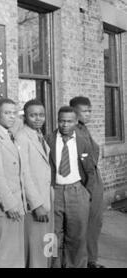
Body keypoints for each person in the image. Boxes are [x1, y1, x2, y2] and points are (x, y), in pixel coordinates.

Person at [45, 106, 96, 268]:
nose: (64, 125)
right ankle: (52, 264)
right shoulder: (48, 140)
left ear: (75, 122)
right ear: (57, 120)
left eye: (69, 121)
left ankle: (75, 265)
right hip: (54, 191)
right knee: (52, 235)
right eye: (61, 121)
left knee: (77, 236)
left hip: (77, 190)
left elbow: (90, 169)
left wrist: (86, 192)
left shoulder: (84, 141)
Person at [0, 98, 31, 268]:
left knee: (14, 257)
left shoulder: (7, 134)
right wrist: (10, 204)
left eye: (14, 113)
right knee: (5, 257)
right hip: (4, 208)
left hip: (16, 204)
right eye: (7, 113)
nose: (12, 117)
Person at [15, 99, 53, 268]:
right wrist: (36, 204)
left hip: (47, 199)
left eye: (41, 115)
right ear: (25, 116)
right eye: (33, 115)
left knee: (47, 246)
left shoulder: (39, 135)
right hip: (36, 204)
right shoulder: (22, 137)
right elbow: (24, 173)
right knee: (37, 250)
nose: (38, 119)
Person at [70, 96, 105, 268]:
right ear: (74, 112)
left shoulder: (84, 129)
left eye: (90, 110)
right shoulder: (73, 132)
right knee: (84, 224)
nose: (89, 114)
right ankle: (85, 261)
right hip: (86, 182)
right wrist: (87, 188)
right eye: (85, 110)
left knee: (94, 223)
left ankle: (91, 259)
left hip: (94, 179)